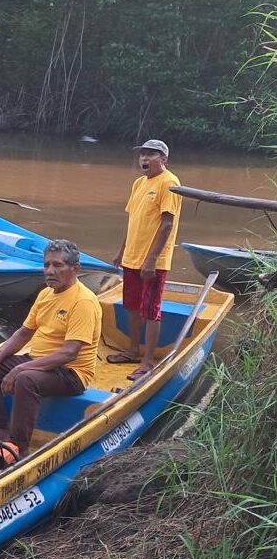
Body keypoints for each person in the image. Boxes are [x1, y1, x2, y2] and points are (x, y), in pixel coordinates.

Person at [0, 240, 101, 457]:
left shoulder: (83, 301)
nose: (50, 271)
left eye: (58, 265)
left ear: (75, 269)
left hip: (70, 373)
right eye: (47, 265)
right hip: (39, 361)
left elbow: (69, 352)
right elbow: (23, 333)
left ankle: (17, 447)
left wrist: (20, 369)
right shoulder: (45, 294)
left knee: (26, 379)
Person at [110, 139, 182, 380]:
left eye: (151, 154)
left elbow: (167, 224)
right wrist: (121, 252)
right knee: (130, 305)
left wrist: (151, 260)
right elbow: (133, 222)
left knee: (151, 310)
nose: (144, 158)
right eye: (142, 154)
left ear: (163, 159)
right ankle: (132, 350)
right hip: (132, 257)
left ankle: (148, 361)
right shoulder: (139, 183)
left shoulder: (169, 182)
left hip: (153, 261)